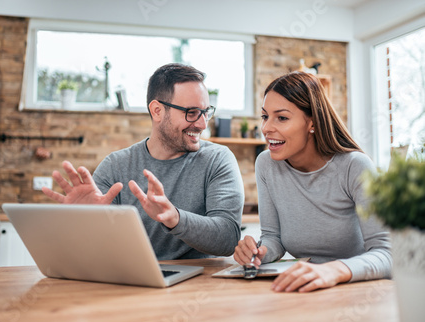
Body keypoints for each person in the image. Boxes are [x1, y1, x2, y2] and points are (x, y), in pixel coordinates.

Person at [43, 63, 244, 260]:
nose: (202, 124)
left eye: (206, 112)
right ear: (157, 111)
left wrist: (174, 218)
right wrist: (83, 222)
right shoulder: (115, 166)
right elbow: (94, 249)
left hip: (199, 288)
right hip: (133, 281)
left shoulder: (217, 160)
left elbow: (228, 239)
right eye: (191, 113)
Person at [233, 71, 392, 292]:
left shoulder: (355, 166)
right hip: (306, 288)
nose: (266, 128)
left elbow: (387, 254)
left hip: (359, 290)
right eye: (265, 116)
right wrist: (258, 252)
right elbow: (274, 239)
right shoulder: (266, 164)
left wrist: (333, 270)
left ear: (313, 123)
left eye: (282, 117)